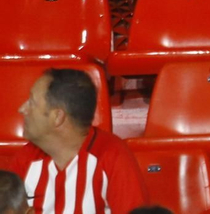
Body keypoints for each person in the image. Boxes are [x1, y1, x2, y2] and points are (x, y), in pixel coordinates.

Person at [4, 68, 146, 214]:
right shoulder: (25, 159)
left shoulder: (112, 157)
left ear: (58, 117)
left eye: (32, 103)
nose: (22, 109)